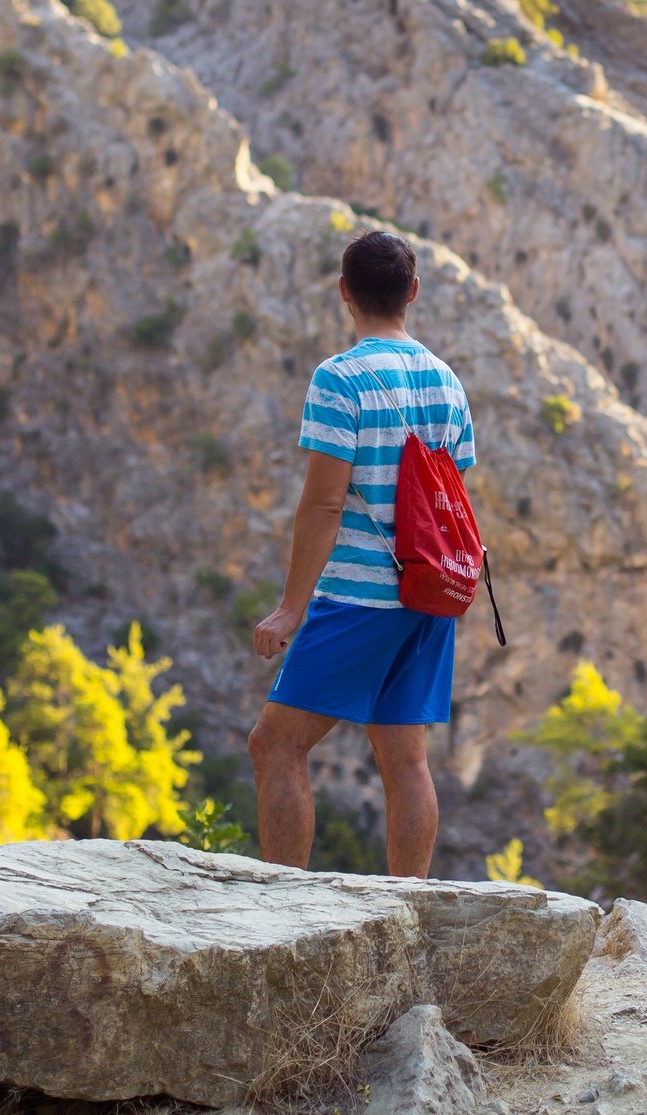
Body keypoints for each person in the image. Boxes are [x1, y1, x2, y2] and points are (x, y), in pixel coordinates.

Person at [247, 229, 475, 877]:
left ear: (345, 292)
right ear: (413, 291)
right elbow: (451, 496)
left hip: (360, 597)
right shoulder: (446, 381)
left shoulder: (340, 379)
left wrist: (292, 609)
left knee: (275, 744)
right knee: (406, 762)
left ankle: (282, 904)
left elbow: (323, 503)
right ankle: (407, 909)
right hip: (428, 597)